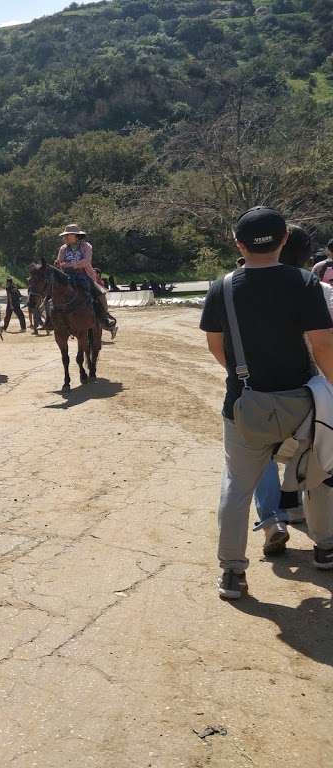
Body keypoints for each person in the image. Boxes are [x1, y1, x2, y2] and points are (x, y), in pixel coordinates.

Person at [199, 207, 333, 599]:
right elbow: (323, 344)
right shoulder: (305, 282)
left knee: (238, 485)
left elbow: (214, 344)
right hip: (303, 402)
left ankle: (232, 573)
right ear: (284, 240)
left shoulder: (222, 287)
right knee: (319, 475)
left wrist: (243, 374)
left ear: (238, 244)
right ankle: (325, 547)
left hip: (245, 403)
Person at [252, 226, 317, 555]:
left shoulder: (238, 285)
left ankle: (273, 518)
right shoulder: (317, 286)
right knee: (314, 448)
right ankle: (310, 517)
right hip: (312, 388)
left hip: (259, 388)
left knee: (258, 451)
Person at [55, 224, 117, 338]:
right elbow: (60, 263)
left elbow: (86, 261)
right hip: (67, 276)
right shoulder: (63, 248)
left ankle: (104, 316)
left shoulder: (86, 246)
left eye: (68, 235)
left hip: (84, 275)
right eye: (66, 235)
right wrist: (70, 265)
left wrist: (69, 265)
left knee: (99, 293)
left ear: (76, 236)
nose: (66, 237)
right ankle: (50, 319)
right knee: (53, 293)